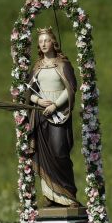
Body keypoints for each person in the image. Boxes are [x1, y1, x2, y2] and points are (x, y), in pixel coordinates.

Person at [27, 27, 80, 207]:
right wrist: (39, 101)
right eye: (40, 41)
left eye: (46, 40)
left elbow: (71, 88)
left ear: (53, 42)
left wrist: (55, 105)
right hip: (41, 115)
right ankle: (50, 195)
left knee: (59, 152)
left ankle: (68, 194)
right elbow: (29, 92)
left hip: (59, 115)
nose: (43, 44)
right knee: (44, 154)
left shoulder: (63, 64)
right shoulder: (37, 67)